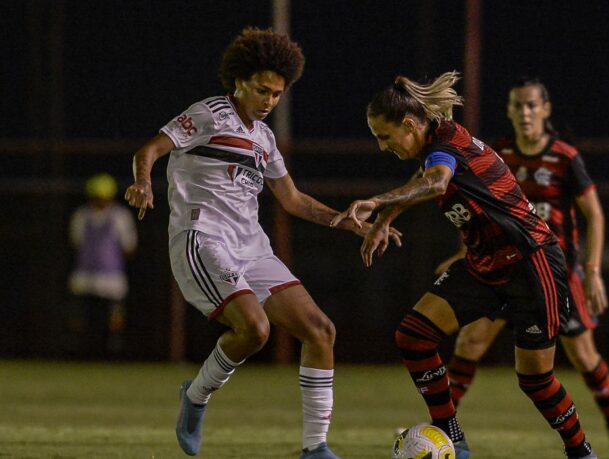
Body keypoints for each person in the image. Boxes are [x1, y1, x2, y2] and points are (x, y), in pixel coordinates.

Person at [124, 27, 399, 458]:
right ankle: (195, 396)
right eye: (262, 91)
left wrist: (347, 222)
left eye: (277, 94)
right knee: (254, 329)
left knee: (321, 330)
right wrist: (143, 182)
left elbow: (291, 199)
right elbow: (150, 149)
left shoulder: (265, 139)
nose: (269, 101)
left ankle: (315, 449)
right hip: (203, 238)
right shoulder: (209, 114)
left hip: (252, 247)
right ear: (239, 82)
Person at [331, 72, 597, 459]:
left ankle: (581, 452)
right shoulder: (434, 144)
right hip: (485, 263)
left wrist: (374, 203)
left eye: (384, 136)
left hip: (531, 261)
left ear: (408, 124)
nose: (381, 145)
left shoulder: (447, 143)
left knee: (536, 380)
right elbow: (424, 176)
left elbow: (437, 182)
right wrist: (386, 219)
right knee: (414, 335)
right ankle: (451, 435)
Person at [439, 77, 609, 453]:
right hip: (504, 268)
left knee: (583, 355)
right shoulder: (497, 153)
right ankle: (445, 425)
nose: (525, 112)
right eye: (517, 105)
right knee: (471, 340)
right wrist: (465, 253)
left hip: (554, 272)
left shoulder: (564, 157)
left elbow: (594, 213)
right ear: (509, 111)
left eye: (531, 105)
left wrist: (592, 271)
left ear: (546, 110)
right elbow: (477, 210)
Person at [67, 172, 137, 359]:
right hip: (85, 274)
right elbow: (77, 242)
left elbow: (129, 247)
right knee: (81, 314)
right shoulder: (81, 215)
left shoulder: (120, 216)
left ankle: (113, 350)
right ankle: (79, 350)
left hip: (111, 276)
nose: (100, 202)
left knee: (114, 315)